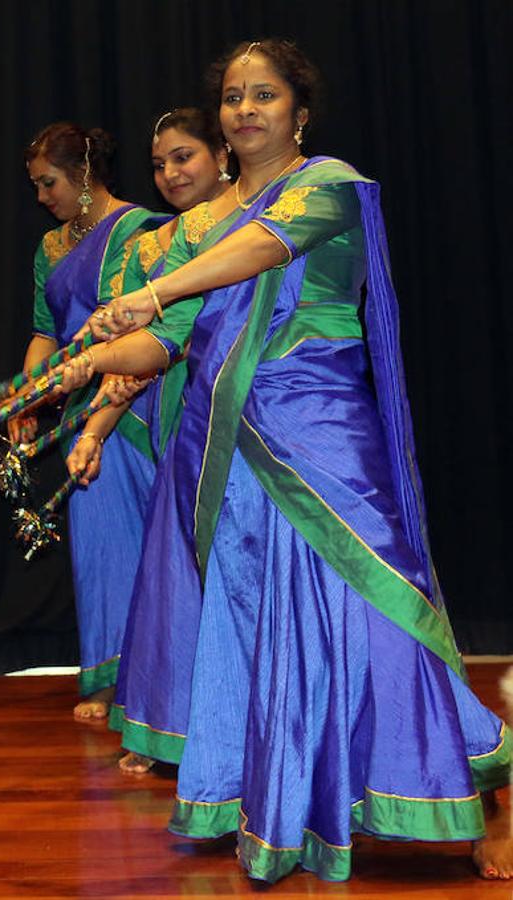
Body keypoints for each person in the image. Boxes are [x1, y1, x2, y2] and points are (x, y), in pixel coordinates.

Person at [59, 39, 512, 882]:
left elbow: (264, 250)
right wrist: (87, 362)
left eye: (263, 95)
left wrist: (155, 289)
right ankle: (287, 806)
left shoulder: (325, 188)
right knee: (259, 626)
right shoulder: (202, 227)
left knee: (379, 615)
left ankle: (486, 790)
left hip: (318, 428)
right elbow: (168, 344)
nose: (244, 109)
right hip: (225, 448)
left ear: (299, 112)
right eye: (232, 97)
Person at [63, 108, 229, 768]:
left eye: (183, 157)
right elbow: (149, 351)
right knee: (178, 575)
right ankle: (176, 731)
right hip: (177, 419)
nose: (168, 173)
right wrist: (95, 422)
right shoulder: (156, 245)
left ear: (220, 154)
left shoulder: (259, 220)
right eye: (158, 163)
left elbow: (171, 337)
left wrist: (91, 366)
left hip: (248, 411)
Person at [19, 123, 165, 722]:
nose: (41, 196)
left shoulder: (143, 232)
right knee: (100, 547)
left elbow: (145, 332)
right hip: (78, 410)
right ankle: (108, 676)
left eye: (48, 182)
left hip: (131, 401)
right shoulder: (51, 247)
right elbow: (43, 333)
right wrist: (28, 396)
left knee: (152, 544)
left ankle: (156, 679)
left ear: (82, 176)